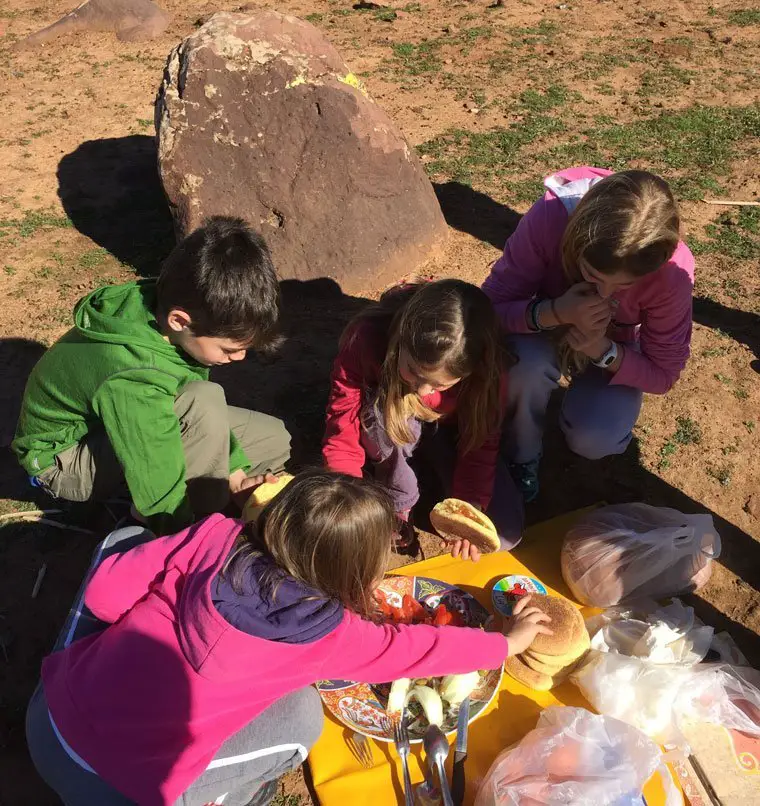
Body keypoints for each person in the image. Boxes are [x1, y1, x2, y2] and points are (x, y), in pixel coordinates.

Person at [26, 470, 552, 806]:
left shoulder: (214, 534)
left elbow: (102, 595)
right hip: (117, 792)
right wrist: (505, 642)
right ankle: (230, 797)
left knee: (125, 542)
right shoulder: (330, 635)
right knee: (301, 717)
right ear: (352, 576)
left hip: (47, 717)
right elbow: (416, 650)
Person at [12, 216, 291, 535]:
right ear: (179, 321)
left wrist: (236, 474)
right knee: (203, 406)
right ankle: (156, 523)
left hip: (126, 423)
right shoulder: (133, 375)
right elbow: (154, 464)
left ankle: (212, 493)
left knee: (273, 439)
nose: (239, 358)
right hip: (65, 462)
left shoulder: (170, 303)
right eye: (228, 349)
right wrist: (178, 527)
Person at [482, 167, 694, 501]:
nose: (605, 292)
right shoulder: (551, 219)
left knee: (596, 438)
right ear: (576, 241)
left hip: (613, 346)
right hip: (542, 327)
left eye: (623, 285)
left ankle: (578, 406)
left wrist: (604, 351)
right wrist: (554, 312)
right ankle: (522, 453)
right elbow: (489, 307)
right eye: (591, 274)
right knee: (527, 364)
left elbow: (664, 374)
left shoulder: (673, 275)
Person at [322, 279, 524, 561]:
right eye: (413, 372)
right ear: (401, 340)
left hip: (448, 434)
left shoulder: (488, 376)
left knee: (504, 533)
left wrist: (466, 509)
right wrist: (345, 486)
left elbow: (480, 444)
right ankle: (399, 496)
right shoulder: (367, 340)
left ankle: (423, 471)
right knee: (388, 412)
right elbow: (343, 417)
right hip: (393, 422)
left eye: (439, 385)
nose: (422, 390)